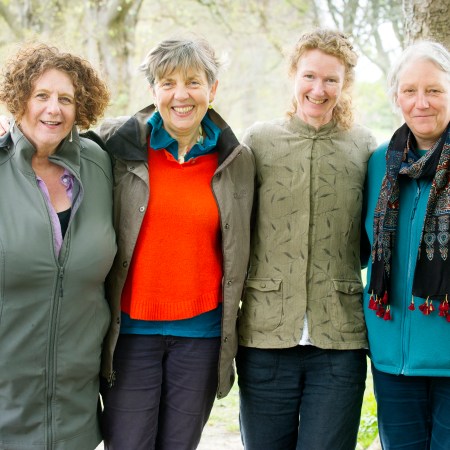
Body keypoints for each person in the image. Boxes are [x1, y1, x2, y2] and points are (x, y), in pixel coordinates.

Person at [93, 35, 255, 450]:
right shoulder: (116, 145)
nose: (181, 95)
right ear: (153, 91)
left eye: (193, 82)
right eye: (168, 83)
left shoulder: (236, 159)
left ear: (212, 89)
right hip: (130, 333)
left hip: (201, 335)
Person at [236, 28, 377, 450]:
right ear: (293, 75)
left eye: (331, 79)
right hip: (265, 337)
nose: (319, 89)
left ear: (345, 84)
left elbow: (369, 239)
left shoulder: (364, 147)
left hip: (338, 341)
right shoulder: (259, 141)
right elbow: (236, 230)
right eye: (310, 76)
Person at [0, 44, 116, 449]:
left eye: (66, 98)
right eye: (41, 95)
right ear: (19, 99)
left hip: (75, 412)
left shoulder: (100, 164)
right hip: (6, 409)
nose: (54, 109)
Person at [363, 40, 450, 449]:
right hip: (392, 360)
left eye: (434, 90)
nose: (421, 102)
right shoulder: (379, 162)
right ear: (396, 97)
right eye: (410, 90)